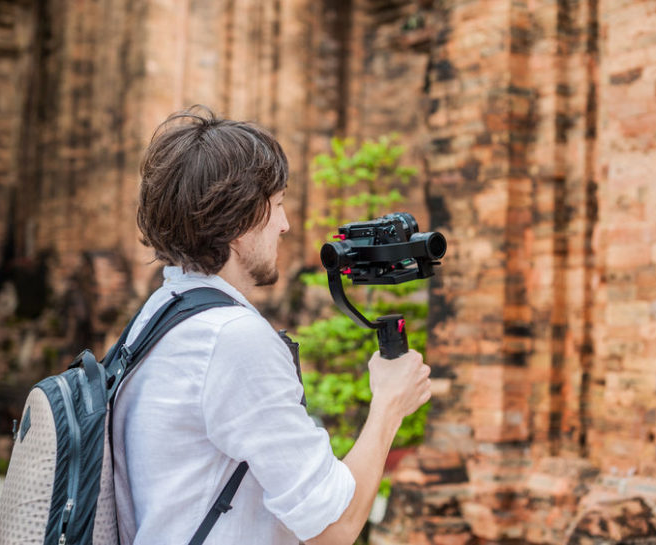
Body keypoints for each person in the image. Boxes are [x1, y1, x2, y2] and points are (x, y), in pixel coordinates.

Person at [112, 106, 432, 545]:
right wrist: (390, 403)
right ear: (238, 221)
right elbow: (332, 528)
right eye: (277, 206)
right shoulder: (231, 339)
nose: (284, 225)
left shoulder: (160, 313)